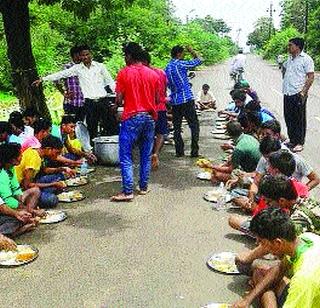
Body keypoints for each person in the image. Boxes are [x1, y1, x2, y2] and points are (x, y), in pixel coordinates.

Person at [232, 207, 320, 308]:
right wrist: (247, 299)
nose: (258, 244)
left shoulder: (303, 279)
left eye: (261, 242)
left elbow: (301, 282)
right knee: (260, 273)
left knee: (261, 278)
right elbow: (279, 269)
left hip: (306, 289)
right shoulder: (307, 238)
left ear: (277, 243)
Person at [33, 44, 117, 140]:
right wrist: (43, 79)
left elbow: (110, 81)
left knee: (110, 126)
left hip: (103, 101)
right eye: (82, 55)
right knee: (91, 128)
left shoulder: (100, 66)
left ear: (91, 54)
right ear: (79, 56)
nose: (85, 57)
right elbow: (61, 74)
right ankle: (92, 151)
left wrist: (118, 97)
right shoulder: (77, 68)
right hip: (89, 103)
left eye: (87, 54)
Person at [111, 43, 159, 202]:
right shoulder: (153, 74)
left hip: (132, 117)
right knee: (145, 154)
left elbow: (118, 99)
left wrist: (116, 106)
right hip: (150, 118)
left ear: (130, 56)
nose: (125, 58)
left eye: (125, 55)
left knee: (126, 155)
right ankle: (143, 187)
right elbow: (159, 99)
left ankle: (127, 191)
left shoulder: (124, 73)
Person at [165, 45, 202, 157]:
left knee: (177, 128)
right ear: (179, 54)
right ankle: (194, 151)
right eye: (183, 53)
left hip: (175, 101)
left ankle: (179, 151)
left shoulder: (167, 68)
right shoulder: (180, 64)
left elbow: (168, 83)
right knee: (194, 126)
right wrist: (192, 51)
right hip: (186, 99)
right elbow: (199, 61)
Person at [15, 135, 70, 208]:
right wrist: (53, 184)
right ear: (48, 149)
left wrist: (62, 169)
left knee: (60, 176)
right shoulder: (34, 158)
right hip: (20, 190)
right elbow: (27, 186)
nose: (57, 156)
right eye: (57, 153)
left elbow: (45, 170)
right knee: (52, 199)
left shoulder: (37, 152)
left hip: (31, 184)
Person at [282, 37, 315, 153]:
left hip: (298, 93)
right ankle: (292, 140)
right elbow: (285, 70)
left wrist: (303, 92)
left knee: (299, 119)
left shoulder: (306, 59)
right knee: (288, 117)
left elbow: (311, 76)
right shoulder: (290, 59)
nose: (288, 47)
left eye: (290, 45)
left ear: (297, 46)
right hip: (287, 92)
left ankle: (300, 142)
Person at [141, 50, 168, 170]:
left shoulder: (143, 74)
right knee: (161, 132)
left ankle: (148, 154)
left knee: (148, 133)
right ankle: (156, 153)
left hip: (147, 108)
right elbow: (165, 89)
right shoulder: (161, 72)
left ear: (144, 62)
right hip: (161, 106)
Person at [0, 143, 43, 217]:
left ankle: (27, 214)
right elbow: (7, 200)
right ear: (13, 159)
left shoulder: (11, 168)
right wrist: (30, 210)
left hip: (13, 199)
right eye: (20, 155)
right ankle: (27, 214)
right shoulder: (1, 174)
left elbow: (16, 188)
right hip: (4, 204)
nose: (22, 156)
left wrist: (20, 200)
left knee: (36, 190)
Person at [55, 46, 86, 122]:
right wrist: (64, 93)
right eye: (78, 54)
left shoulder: (85, 67)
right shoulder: (67, 67)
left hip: (83, 102)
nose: (80, 57)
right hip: (71, 102)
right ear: (73, 55)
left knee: (81, 126)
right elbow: (56, 80)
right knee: (69, 125)